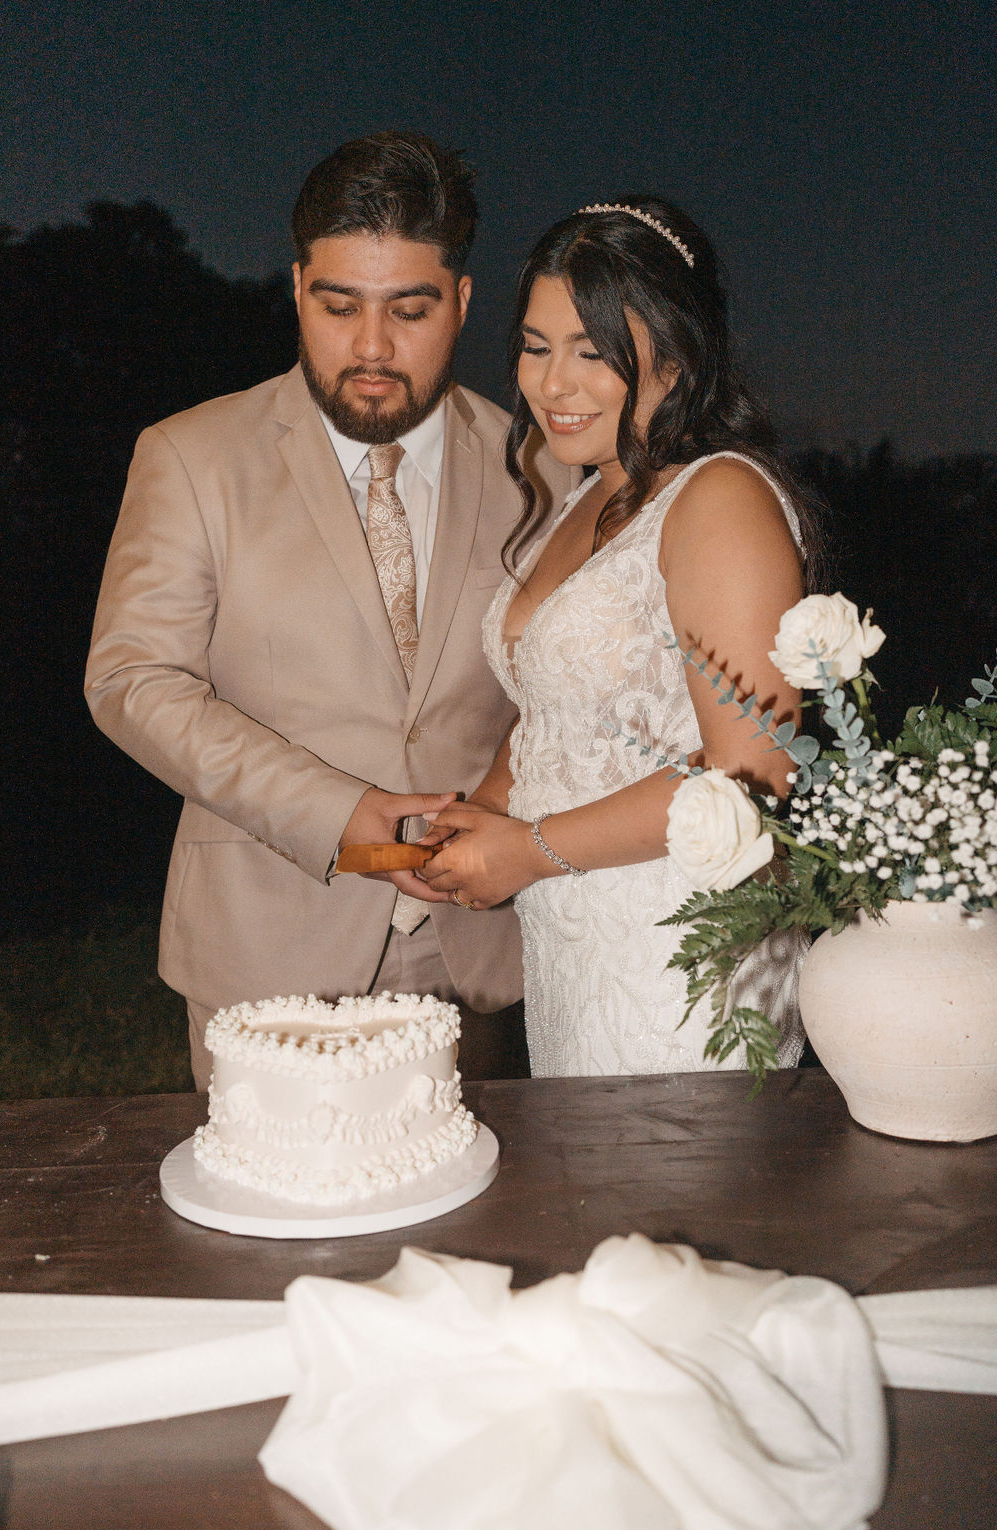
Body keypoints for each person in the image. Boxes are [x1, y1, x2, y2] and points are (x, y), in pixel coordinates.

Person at [85, 132, 574, 1089]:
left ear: (463, 303)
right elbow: (130, 680)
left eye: (411, 310)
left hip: (482, 954)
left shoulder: (545, 473)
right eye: (338, 305)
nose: (372, 348)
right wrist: (343, 813)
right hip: (263, 945)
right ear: (297, 286)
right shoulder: (190, 456)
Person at [417, 197, 819, 1076]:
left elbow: (752, 772)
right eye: (534, 345)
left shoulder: (720, 500)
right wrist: (479, 812)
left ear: (674, 358)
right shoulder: (583, 494)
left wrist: (527, 848)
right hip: (572, 946)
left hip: (682, 959)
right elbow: (553, 713)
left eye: (592, 354)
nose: (550, 385)